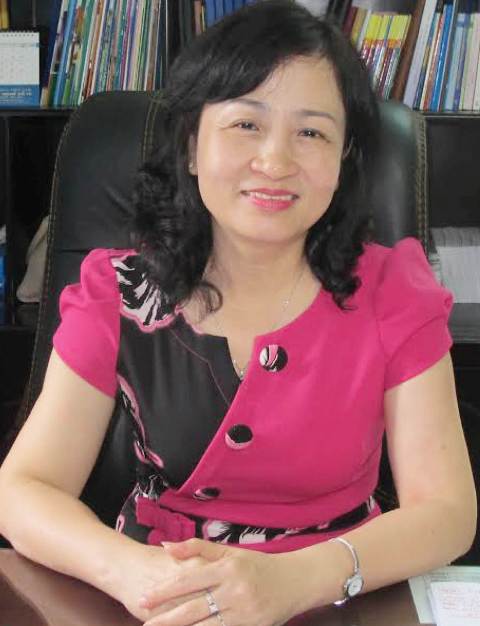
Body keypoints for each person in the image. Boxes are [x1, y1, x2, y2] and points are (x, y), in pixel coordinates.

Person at [0, 1, 476, 625]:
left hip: (337, 592)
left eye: (311, 133)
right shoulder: (120, 292)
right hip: (162, 593)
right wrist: (131, 572)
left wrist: (293, 581)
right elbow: (23, 489)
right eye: (246, 124)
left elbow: (447, 512)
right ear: (192, 147)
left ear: (343, 159)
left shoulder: (393, 292)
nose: (275, 162)